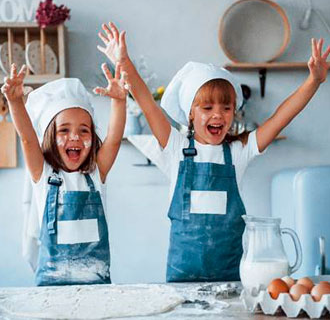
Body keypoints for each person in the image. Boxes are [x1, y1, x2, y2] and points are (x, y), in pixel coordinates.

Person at [98, 22, 330, 282]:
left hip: (230, 280)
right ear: (190, 113)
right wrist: (125, 62)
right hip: (181, 281)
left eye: (226, 107)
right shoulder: (175, 148)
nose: (218, 114)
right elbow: (146, 102)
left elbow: (281, 117)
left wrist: (313, 81)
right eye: (207, 107)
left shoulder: (239, 151)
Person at [1, 62, 128, 285]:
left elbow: (114, 139)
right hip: (52, 287)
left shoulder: (97, 174)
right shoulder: (44, 175)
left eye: (84, 130)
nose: (75, 137)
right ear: (50, 136)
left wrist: (119, 101)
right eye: (64, 130)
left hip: (97, 288)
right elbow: (28, 138)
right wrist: (14, 101)